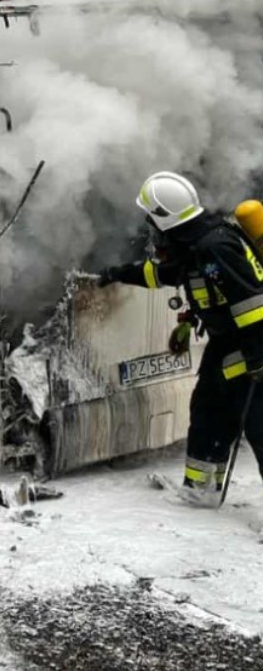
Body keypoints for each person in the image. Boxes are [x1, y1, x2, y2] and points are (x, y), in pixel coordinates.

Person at [96, 171, 263, 507]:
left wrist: (257, 358)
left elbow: (252, 304)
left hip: (252, 344)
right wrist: (116, 274)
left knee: (260, 426)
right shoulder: (196, 245)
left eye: (151, 219)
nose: (150, 227)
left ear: (165, 217)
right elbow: (164, 273)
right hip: (228, 344)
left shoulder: (215, 247)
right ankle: (200, 490)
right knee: (210, 410)